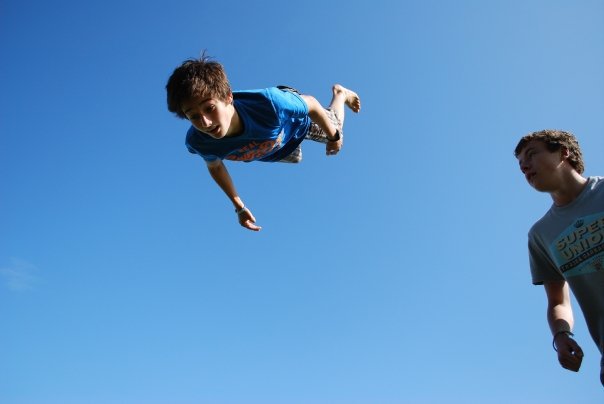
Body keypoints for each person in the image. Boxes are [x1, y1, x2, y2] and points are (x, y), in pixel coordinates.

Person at [166, 54, 361, 231]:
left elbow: (311, 104)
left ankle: (340, 94)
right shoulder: (199, 142)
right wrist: (239, 207)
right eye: (193, 116)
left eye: (209, 108)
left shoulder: (272, 104)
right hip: (276, 147)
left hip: (297, 123)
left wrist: (333, 136)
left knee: (335, 127)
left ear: (228, 98)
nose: (205, 123)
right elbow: (215, 167)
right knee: (296, 158)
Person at [515, 129, 604, 386]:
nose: (525, 167)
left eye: (531, 155)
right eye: (521, 165)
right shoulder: (541, 234)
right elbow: (557, 301)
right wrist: (561, 334)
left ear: (563, 152)